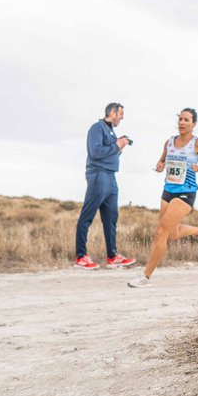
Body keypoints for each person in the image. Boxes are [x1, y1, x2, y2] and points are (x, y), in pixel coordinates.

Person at [128, 108, 198, 288]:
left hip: (186, 192)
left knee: (161, 231)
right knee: (172, 234)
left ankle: (145, 277)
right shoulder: (169, 142)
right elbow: (162, 161)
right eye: (180, 119)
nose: (182, 123)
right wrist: (160, 166)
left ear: (193, 124)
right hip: (168, 190)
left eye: (186, 120)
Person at [74, 103, 137, 270]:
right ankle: (81, 257)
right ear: (112, 112)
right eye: (121, 113)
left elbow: (108, 151)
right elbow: (95, 152)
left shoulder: (111, 131)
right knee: (87, 215)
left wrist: (119, 147)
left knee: (111, 218)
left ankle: (112, 256)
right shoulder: (97, 128)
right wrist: (117, 145)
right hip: (98, 175)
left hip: (111, 177)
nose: (122, 117)